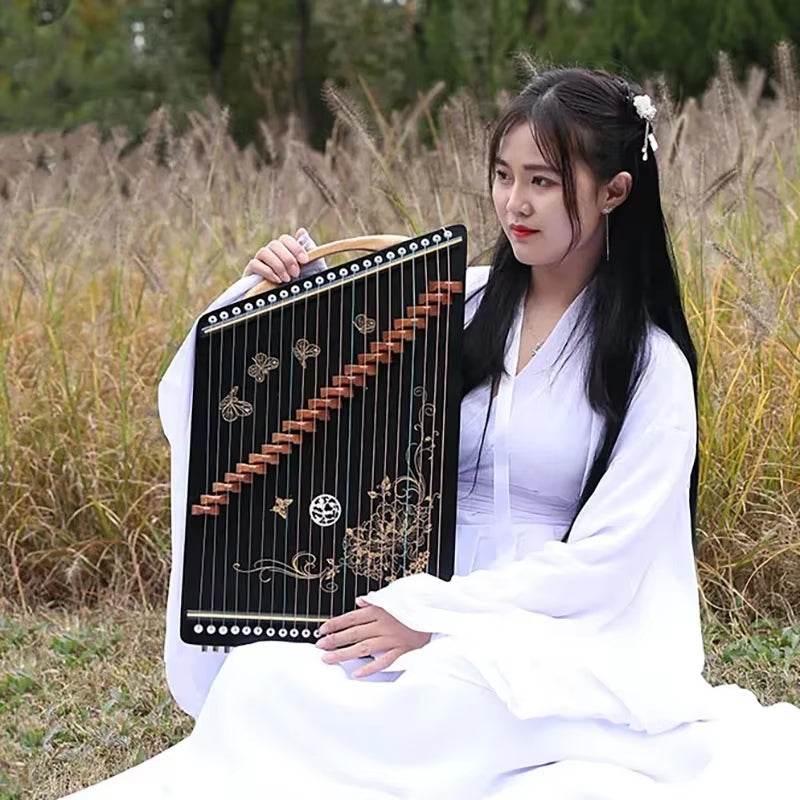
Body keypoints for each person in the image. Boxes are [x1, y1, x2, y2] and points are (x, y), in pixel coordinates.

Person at [64, 67, 800, 800]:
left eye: (544, 181)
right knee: (263, 676)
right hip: (406, 591)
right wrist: (268, 300)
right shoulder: (456, 301)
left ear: (615, 191)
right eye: (504, 175)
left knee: (442, 699)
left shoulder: (649, 363)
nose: (516, 202)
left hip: (553, 633)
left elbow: (607, 564)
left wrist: (433, 620)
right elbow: (247, 397)